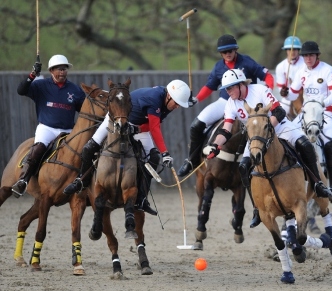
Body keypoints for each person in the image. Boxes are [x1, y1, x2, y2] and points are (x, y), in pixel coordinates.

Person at [206, 69, 331, 228]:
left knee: (305, 146)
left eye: (230, 88)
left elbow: (279, 112)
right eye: (226, 89)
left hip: (280, 127)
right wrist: (216, 145)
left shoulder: (260, 90)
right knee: (244, 167)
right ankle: (257, 209)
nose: (227, 92)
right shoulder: (231, 103)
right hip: (256, 138)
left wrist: (267, 129)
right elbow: (226, 129)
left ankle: (318, 184)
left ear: (240, 85)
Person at [176, 34, 274, 227]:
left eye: (229, 51)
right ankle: (193, 160)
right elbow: (209, 87)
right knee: (197, 124)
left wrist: (267, 91)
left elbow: (267, 76)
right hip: (227, 103)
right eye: (223, 52)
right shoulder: (218, 67)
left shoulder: (247, 62)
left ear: (235, 50)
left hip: (251, 104)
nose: (227, 55)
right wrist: (196, 98)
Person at [63, 80, 191, 215]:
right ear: (169, 96)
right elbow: (155, 128)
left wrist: (137, 129)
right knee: (89, 147)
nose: (177, 106)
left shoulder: (168, 102)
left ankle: (141, 198)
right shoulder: (154, 100)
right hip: (115, 119)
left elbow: (151, 124)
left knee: (153, 157)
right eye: (177, 103)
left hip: (137, 125)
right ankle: (81, 181)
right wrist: (165, 153)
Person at [11, 55, 85, 198]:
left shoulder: (75, 90)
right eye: (59, 69)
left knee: (84, 151)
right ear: (51, 70)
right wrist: (32, 75)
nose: (63, 72)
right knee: (38, 148)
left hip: (68, 130)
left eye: (65, 69)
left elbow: (83, 109)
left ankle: (83, 183)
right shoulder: (41, 85)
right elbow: (21, 90)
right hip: (47, 128)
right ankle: (23, 180)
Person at [281, 41, 332, 203]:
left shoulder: (328, 70)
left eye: (311, 55)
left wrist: (323, 103)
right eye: (306, 55)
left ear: (317, 56)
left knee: (331, 142)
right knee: (287, 135)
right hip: (307, 112)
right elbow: (293, 95)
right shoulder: (302, 71)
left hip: (326, 112)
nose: (308, 58)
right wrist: (285, 93)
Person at [275, 36, 304, 118]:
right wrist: (284, 92)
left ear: (298, 50)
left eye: (295, 49)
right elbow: (281, 88)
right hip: (288, 97)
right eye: (289, 49)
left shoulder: (305, 64)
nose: (292, 52)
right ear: (286, 50)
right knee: (279, 113)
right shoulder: (280, 67)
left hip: (305, 95)